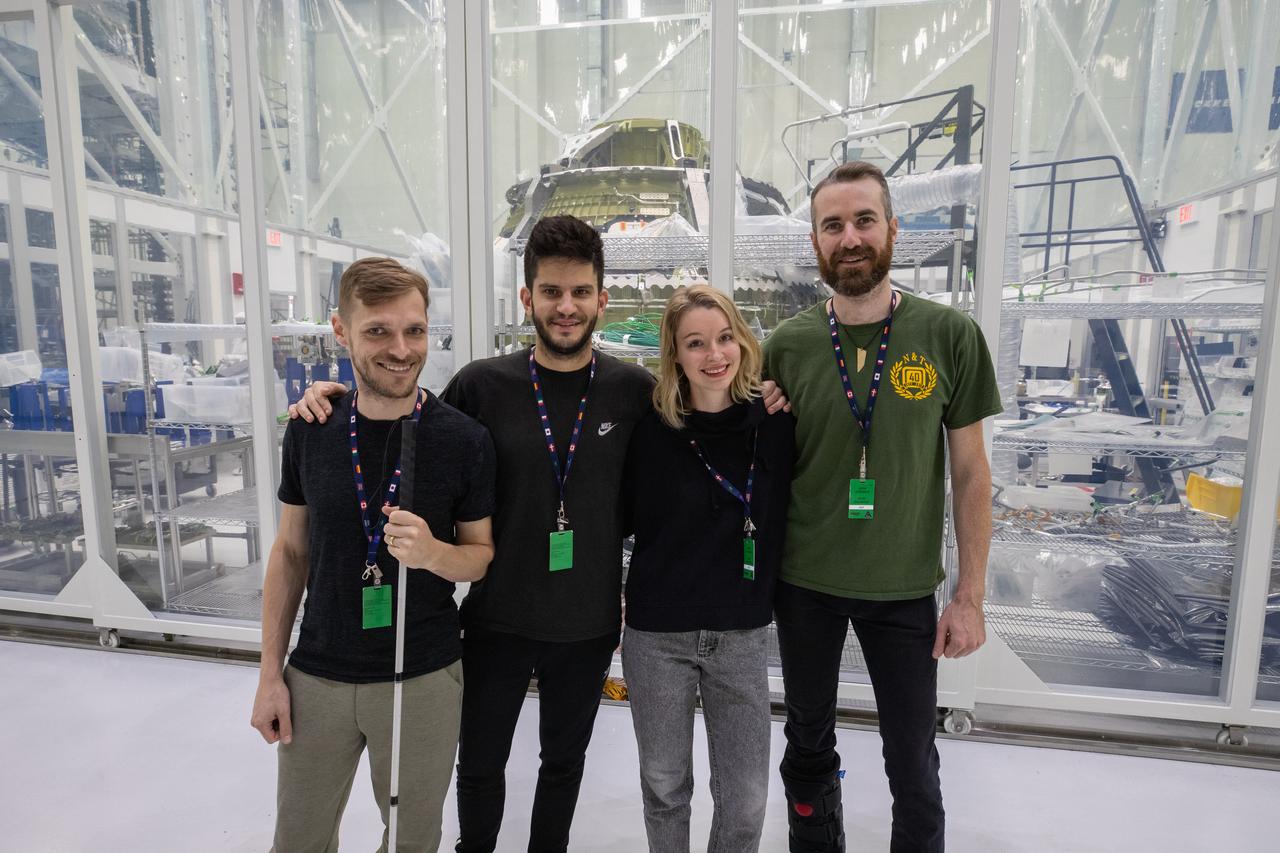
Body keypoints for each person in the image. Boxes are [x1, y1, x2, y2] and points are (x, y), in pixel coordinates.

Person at [289, 216, 789, 852]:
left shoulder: (634, 393)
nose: (566, 306)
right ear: (527, 298)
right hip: (496, 618)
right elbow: (412, 419)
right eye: (551, 291)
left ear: (601, 299)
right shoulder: (481, 385)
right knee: (479, 766)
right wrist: (332, 398)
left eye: (580, 292)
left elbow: (710, 417)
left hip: (587, 624)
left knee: (562, 765)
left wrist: (766, 397)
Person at [763, 161, 1001, 853]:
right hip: (804, 583)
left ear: (893, 229)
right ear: (815, 242)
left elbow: (971, 473)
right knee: (807, 743)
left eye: (864, 220)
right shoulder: (788, 346)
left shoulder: (949, 335)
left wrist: (970, 596)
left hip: (903, 588)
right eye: (833, 225)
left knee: (913, 758)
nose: (850, 237)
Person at [250, 257, 497, 853]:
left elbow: (480, 555)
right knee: (298, 840)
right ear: (341, 331)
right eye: (378, 331)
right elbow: (290, 552)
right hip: (317, 674)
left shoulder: (464, 440)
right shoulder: (311, 427)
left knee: (412, 841)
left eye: (415, 330)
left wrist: (432, 553)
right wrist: (269, 675)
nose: (401, 350)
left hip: (422, 676)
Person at [621, 285, 794, 853]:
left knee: (746, 801)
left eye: (724, 338)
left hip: (741, 632)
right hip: (657, 636)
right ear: (675, 355)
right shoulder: (649, 430)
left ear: (742, 341)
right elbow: (618, 516)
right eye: (696, 343)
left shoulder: (775, 422)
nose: (714, 354)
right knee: (665, 787)